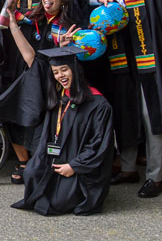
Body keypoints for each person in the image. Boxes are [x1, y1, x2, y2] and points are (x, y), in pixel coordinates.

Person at [91, 0, 162, 198]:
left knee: (149, 115)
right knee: (126, 114)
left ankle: (156, 176)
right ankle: (129, 168)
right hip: (120, 62)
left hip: (148, 58)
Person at [12, 46, 114, 216]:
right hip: (57, 158)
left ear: (75, 69)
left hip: (82, 166)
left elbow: (99, 144)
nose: (60, 76)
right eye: (56, 72)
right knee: (31, 172)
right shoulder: (60, 99)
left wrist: (74, 166)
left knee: (56, 203)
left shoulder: (98, 105)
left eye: (64, 70)